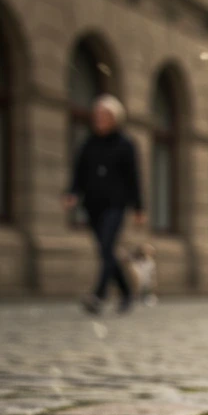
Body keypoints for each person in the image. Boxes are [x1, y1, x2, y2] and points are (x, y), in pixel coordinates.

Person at [62, 95, 145, 314]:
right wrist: (72, 193)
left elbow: (133, 177)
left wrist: (138, 207)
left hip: (116, 205)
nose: (99, 119)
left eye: (105, 115)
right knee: (106, 251)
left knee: (107, 247)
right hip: (93, 205)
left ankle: (99, 295)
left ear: (115, 118)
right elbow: (79, 172)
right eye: (97, 115)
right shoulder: (89, 143)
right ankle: (127, 292)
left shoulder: (125, 144)